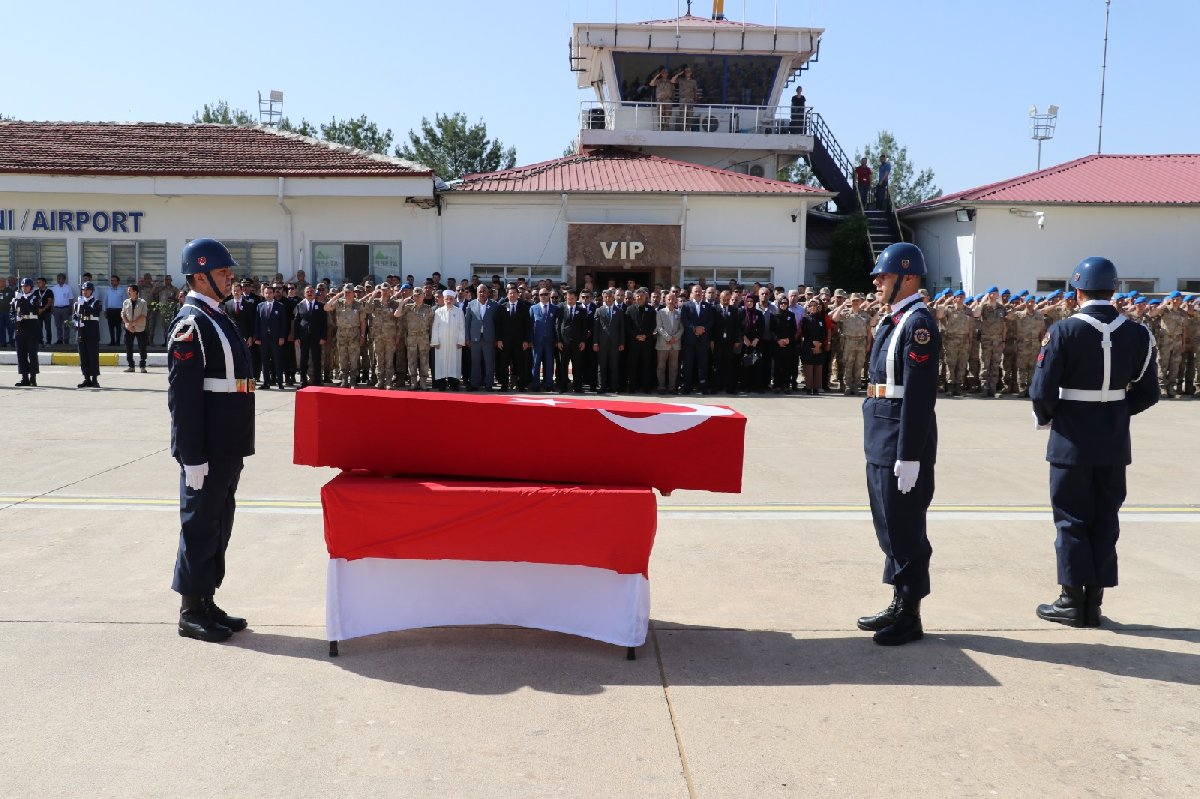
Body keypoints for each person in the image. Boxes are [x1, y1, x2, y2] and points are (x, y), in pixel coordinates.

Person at [1030, 257, 1159, 628]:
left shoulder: (1063, 331)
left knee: (1071, 519)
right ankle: (1094, 604)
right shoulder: (1137, 333)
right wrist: (1115, 412)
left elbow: (1042, 391)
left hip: (1071, 439)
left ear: (1077, 290)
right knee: (1105, 519)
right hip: (1114, 441)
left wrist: (1052, 417)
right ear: (1113, 289)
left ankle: (1071, 601)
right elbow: (1148, 393)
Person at [167, 238, 256, 643]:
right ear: (200, 277)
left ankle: (206, 598)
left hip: (227, 442)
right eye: (223, 272)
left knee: (219, 522)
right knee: (199, 525)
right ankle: (190, 610)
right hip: (206, 447)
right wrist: (192, 456)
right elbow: (183, 399)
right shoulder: (191, 323)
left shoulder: (216, 314)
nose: (231, 277)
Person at [856, 242, 941, 647]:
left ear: (907, 277)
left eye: (884, 276)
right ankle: (897, 600)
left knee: (906, 529)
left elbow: (920, 396)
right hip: (881, 436)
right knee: (888, 526)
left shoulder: (918, 323)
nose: (876, 281)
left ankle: (910, 613)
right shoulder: (896, 318)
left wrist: (910, 455)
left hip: (900, 441)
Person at [324, 284, 366, 388]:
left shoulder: (358, 305)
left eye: (349, 292)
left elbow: (363, 322)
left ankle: (353, 380)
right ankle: (344, 380)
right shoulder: (338, 303)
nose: (346, 294)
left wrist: (362, 335)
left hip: (354, 334)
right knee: (342, 357)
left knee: (354, 358)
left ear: (353, 293)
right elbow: (326, 307)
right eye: (345, 292)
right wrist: (337, 296)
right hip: (342, 333)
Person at [495, 284, 531, 391]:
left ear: (518, 295)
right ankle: (504, 385)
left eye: (514, 293)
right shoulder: (502, 307)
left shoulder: (524, 307)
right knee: (504, 364)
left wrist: (526, 340)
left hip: (519, 342)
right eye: (510, 293)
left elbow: (527, 325)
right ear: (507, 295)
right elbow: (498, 325)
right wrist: (499, 339)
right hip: (505, 342)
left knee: (519, 364)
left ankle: (521, 385)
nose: (512, 295)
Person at [398, 286, 434, 390]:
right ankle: (413, 382)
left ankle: (423, 383)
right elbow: (397, 315)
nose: (417, 298)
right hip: (411, 337)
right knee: (411, 360)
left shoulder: (428, 309)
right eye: (415, 296)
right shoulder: (408, 308)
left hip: (424, 337)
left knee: (424, 360)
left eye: (419, 295)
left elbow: (431, 325)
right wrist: (402, 303)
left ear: (423, 296)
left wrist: (431, 338)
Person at [679, 284, 714, 394]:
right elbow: (684, 320)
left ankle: (703, 387)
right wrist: (694, 329)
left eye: (700, 291)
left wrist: (703, 329)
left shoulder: (707, 306)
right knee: (688, 364)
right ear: (692, 293)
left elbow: (711, 321)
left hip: (703, 340)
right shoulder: (686, 306)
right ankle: (687, 387)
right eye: (696, 291)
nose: (698, 293)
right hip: (689, 340)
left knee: (703, 364)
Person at [464, 284, 498, 391]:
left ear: (488, 293)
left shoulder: (494, 305)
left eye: (484, 291)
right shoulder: (471, 304)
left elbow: (497, 323)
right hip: (475, 339)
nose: (482, 293)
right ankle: (475, 384)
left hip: (489, 338)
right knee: (475, 362)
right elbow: (467, 322)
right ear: (477, 293)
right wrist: (467, 338)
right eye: (480, 292)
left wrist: (497, 339)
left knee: (489, 363)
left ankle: (488, 384)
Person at [430, 288, 465, 389]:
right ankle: (441, 384)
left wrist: (460, 341)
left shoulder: (459, 312)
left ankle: (454, 384)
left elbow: (462, 327)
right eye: (447, 299)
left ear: (454, 299)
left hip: (455, 343)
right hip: (441, 343)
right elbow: (435, 327)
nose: (449, 301)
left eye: (451, 299)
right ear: (443, 299)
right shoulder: (438, 312)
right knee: (441, 362)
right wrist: (435, 341)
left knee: (454, 362)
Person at [592, 288, 625, 394]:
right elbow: (596, 328)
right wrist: (595, 342)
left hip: (615, 344)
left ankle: (614, 387)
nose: (608, 299)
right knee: (601, 366)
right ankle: (601, 386)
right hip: (602, 343)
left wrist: (622, 342)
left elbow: (621, 328)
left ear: (613, 297)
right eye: (605, 297)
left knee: (614, 365)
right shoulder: (599, 310)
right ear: (603, 298)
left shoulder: (619, 311)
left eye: (610, 297)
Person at [292, 285, 326, 387]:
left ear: (315, 293)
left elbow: (324, 323)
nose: (310, 293)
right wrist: (296, 337)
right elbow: (297, 322)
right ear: (304, 294)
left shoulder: (320, 306)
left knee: (316, 359)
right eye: (308, 292)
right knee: (303, 359)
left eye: (311, 291)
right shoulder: (299, 306)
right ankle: (303, 380)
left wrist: (323, 337)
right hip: (303, 337)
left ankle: (317, 380)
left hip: (316, 337)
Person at [256, 285, 288, 390]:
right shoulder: (260, 306)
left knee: (277, 360)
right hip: (264, 338)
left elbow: (284, 323)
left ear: (273, 294)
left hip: (276, 338)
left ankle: (279, 382)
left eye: (270, 293)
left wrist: (282, 337)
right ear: (263, 294)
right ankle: (266, 382)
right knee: (264, 361)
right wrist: (257, 337)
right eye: (266, 293)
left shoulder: (280, 306)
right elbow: (257, 323)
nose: (268, 295)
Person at [555, 288, 588, 393]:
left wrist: (583, 341)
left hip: (577, 343)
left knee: (577, 366)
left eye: (572, 298)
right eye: (568, 298)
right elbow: (557, 325)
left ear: (576, 298)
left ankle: (577, 387)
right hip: (564, 343)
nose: (570, 300)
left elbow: (584, 327)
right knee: (563, 366)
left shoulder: (582, 310)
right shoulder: (561, 309)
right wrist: (559, 341)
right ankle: (563, 387)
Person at [625, 288, 657, 393]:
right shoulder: (630, 309)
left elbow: (653, 325)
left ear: (645, 297)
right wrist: (636, 336)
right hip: (633, 343)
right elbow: (628, 326)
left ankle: (646, 387)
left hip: (646, 342)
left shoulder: (651, 309)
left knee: (646, 365)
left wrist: (645, 335)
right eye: (638, 296)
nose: (640, 298)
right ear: (635, 298)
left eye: (642, 296)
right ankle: (632, 387)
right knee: (632, 365)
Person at [12, 277, 41, 386]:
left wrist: (21, 300)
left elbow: (33, 309)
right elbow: (12, 312)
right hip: (20, 327)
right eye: (23, 286)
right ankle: (24, 377)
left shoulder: (35, 297)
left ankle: (33, 378)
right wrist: (15, 319)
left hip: (31, 327)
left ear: (31, 287)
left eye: (26, 286)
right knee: (21, 354)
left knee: (32, 354)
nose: (24, 288)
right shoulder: (17, 298)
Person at [74, 281, 103, 388]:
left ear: (92, 291)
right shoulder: (77, 303)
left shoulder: (96, 302)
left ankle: (94, 379)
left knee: (93, 355)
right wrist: (76, 322)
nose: (85, 292)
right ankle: (86, 378)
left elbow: (95, 313)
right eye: (83, 290)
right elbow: (75, 316)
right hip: (81, 331)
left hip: (92, 330)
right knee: (83, 356)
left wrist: (84, 304)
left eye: (87, 290)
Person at [797, 297, 828, 394]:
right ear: (808, 307)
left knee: (818, 367)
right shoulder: (805, 319)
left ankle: (816, 388)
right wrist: (813, 343)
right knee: (809, 367)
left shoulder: (821, 319)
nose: (813, 308)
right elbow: (805, 333)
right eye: (811, 306)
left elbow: (824, 332)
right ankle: (808, 388)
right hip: (808, 345)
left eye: (815, 306)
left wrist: (819, 344)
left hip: (819, 346)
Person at [529, 288, 557, 391]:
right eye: (541, 294)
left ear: (549, 295)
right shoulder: (533, 308)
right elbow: (530, 325)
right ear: (538, 296)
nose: (543, 296)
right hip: (537, 341)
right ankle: (535, 384)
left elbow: (556, 326)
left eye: (545, 294)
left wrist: (557, 340)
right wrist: (530, 340)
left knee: (549, 363)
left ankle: (549, 384)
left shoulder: (555, 308)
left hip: (550, 340)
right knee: (536, 364)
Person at [654, 290, 682, 394]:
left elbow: (681, 328)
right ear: (665, 300)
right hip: (663, 344)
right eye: (668, 299)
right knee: (661, 367)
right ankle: (661, 387)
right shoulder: (660, 312)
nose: (671, 301)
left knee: (673, 368)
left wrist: (675, 337)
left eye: (673, 299)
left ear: (675, 300)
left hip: (676, 344)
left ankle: (672, 387)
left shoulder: (679, 313)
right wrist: (668, 338)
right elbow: (659, 327)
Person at [122, 284, 149, 373]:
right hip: (129, 328)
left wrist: (133, 323)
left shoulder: (143, 302)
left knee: (142, 347)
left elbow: (143, 315)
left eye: (130, 290)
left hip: (140, 328)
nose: (128, 292)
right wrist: (128, 324)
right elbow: (123, 314)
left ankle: (142, 366)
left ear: (135, 292)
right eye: (128, 290)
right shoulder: (126, 302)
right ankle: (131, 366)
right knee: (128, 347)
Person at [50, 272, 75, 347]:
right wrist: (52, 309)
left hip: (65, 309)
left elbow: (71, 299)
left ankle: (66, 340)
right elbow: (52, 300)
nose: (60, 280)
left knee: (67, 325)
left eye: (61, 279)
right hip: (56, 309)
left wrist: (71, 309)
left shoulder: (68, 288)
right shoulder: (53, 288)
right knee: (58, 325)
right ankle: (59, 340)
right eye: (58, 278)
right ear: (57, 280)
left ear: (64, 280)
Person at [650, 66, 676, 131]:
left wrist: (672, 100)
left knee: (667, 115)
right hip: (660, 100)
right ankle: (661, 128)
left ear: (667, 74)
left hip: (667, 100)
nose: (665, 74)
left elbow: (673, 91)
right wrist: (657, 76)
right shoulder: (658, 81)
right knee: (660, 114)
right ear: (661, 74)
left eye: (666, 73)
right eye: (663, 73)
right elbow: (651, 84)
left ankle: (666, 128)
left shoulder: (670, 82)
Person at [674, 65, 699, 131]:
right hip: (683, 100)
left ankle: (688, 130)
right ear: (684, 73)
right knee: (682, 115)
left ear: (691, 73)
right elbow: (672, 81)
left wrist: (695, 100)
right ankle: (683, 130)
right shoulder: (681, 80)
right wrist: (679, 74)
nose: (688, 73)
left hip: (690, 100)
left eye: (689, 72)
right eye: (686, 72)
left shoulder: (693, 81)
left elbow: (695, 91)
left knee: (689, 116)